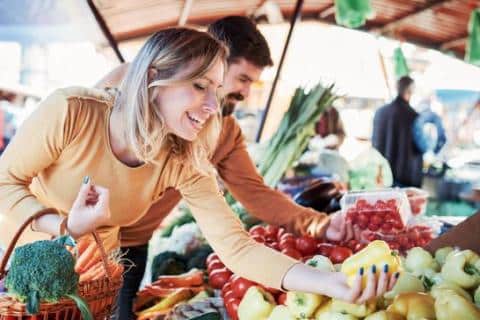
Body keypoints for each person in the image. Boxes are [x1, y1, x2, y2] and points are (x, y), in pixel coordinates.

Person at [0, 27, 393, 320]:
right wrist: (66, 225)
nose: (212, 104)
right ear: (154, 77)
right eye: (199, 85)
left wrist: (328, 282)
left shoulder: (182, 159)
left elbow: (236, 248)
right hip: (13, 270)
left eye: (217, 89)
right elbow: (4, 182)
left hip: (93, 283)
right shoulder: (72, 111)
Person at [97, 17, 354, 319]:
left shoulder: (224, 132)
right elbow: (80, 148)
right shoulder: (132, 80)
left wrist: (320, 224)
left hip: (131, 246)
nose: (246, 93)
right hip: (82, 237)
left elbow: (255, 193)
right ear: (215, 62)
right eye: (243, 79)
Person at [372, 76, 423, 187]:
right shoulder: (414, 117)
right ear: (410, 91)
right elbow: (421, 147)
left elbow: (375, 144)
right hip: (406, 180)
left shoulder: (380, 113)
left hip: (382, 177)